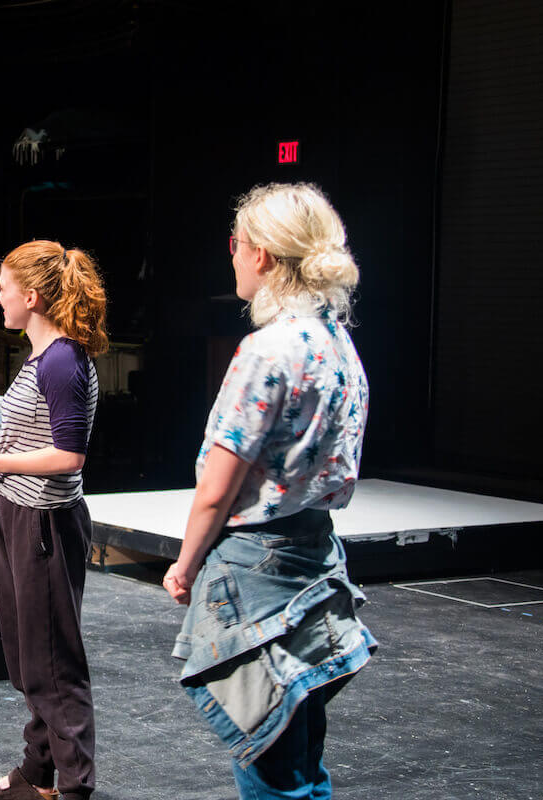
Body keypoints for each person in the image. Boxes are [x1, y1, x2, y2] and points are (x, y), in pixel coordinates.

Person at [162, 183, 377, 799]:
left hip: (257, 568)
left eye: (237, 244)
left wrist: (184, 564)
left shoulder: (268, 350)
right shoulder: (339, 346)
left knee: (269, 759)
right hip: (315, 557)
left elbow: (217, 489)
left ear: (261, 255)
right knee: (301, 753)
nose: (231, 256)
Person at [0, 240, 108, 800]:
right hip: (15, 513)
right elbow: (34, 435)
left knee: (52, 664)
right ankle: (38, 773)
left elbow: (69, 456)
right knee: (27, 660)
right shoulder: (39, 358)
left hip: (43, 526)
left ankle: (73, 786)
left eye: (4, 288)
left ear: (32, 295)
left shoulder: (65, 360)